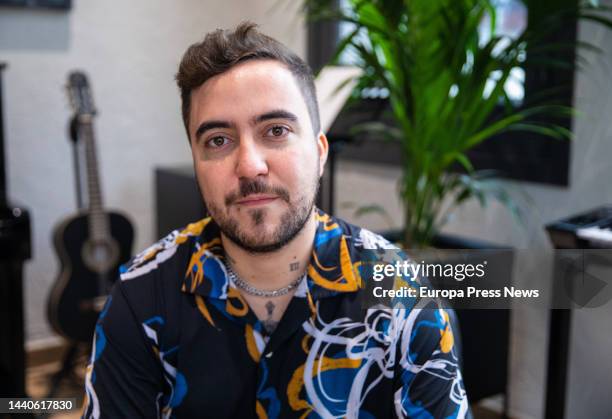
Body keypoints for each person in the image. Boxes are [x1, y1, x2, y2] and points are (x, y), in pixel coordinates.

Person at [81, 22, 468, 418]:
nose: (250, 166)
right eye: (218, 140)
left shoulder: (400, 294)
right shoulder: (142, 297)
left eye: (276, 130)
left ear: (320, 153)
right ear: (197, 163)